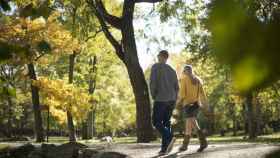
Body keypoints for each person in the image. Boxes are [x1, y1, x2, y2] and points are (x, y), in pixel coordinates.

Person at [150, 50, 179, 155]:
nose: (158, 57)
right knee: (166, 123)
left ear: (161, 57)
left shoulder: (155, 67)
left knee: (156, 122)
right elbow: (177, 87)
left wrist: (154, 95)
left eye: (158, 56)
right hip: (171, 100)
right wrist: (174, 99)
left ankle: (170, 137)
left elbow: (152, 83)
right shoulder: (172, 70)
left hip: (161, 99)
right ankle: (164, 149)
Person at [176, 65, 208, 152]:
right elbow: (202, 94)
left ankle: (201, 142)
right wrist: (205, 104)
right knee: (190, 124)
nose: (184, 72)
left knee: (191, 124)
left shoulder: (184, 80)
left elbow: (182, 94)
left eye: (184, 71)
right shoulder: (198, 80)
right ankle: (187, 145)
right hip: (196, 105)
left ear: (185, 71)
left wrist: (178, 103)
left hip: (188, 105)